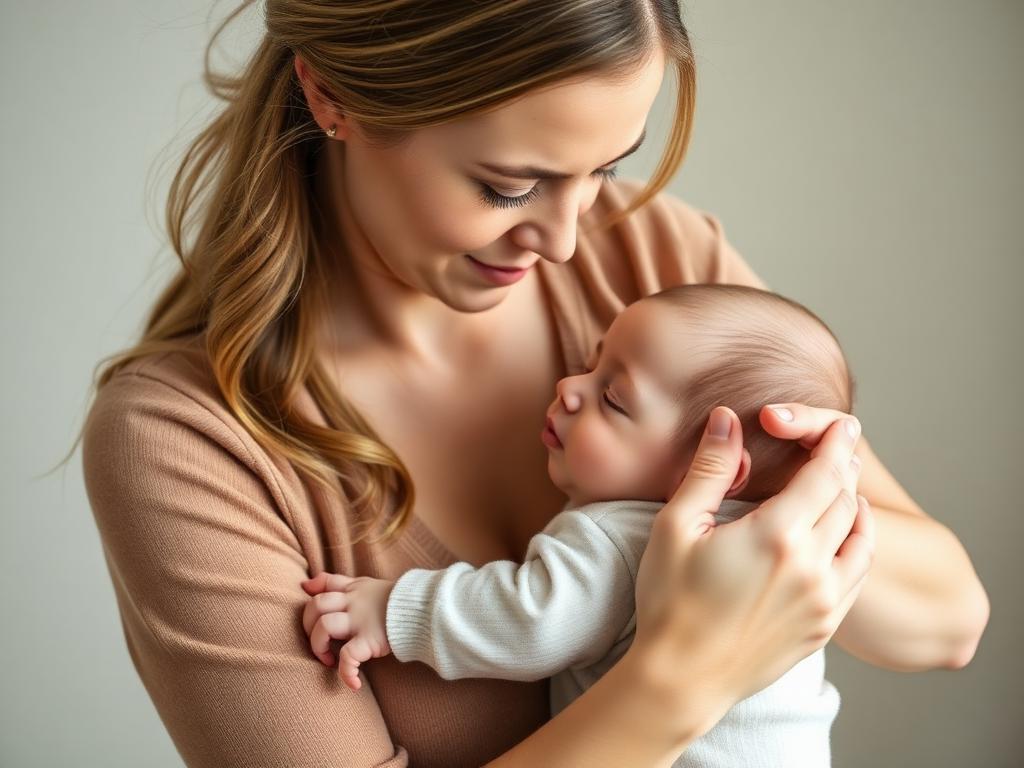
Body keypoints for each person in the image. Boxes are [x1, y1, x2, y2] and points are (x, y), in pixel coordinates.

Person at [78, 2, 988, 766]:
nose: (562, 240)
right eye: (509, 188)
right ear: (332, 95)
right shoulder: (187, 442)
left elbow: (947, 622)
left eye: (604, 170)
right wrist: (683, 675)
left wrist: (782, 501)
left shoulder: (654, 263)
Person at [299, 284, 858, 768]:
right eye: (594, 364)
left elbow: (532, 618)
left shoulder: (619, 539)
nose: (571, 386)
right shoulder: (784, 556)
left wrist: (395, 611)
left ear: (710, 469)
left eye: (613, 399)